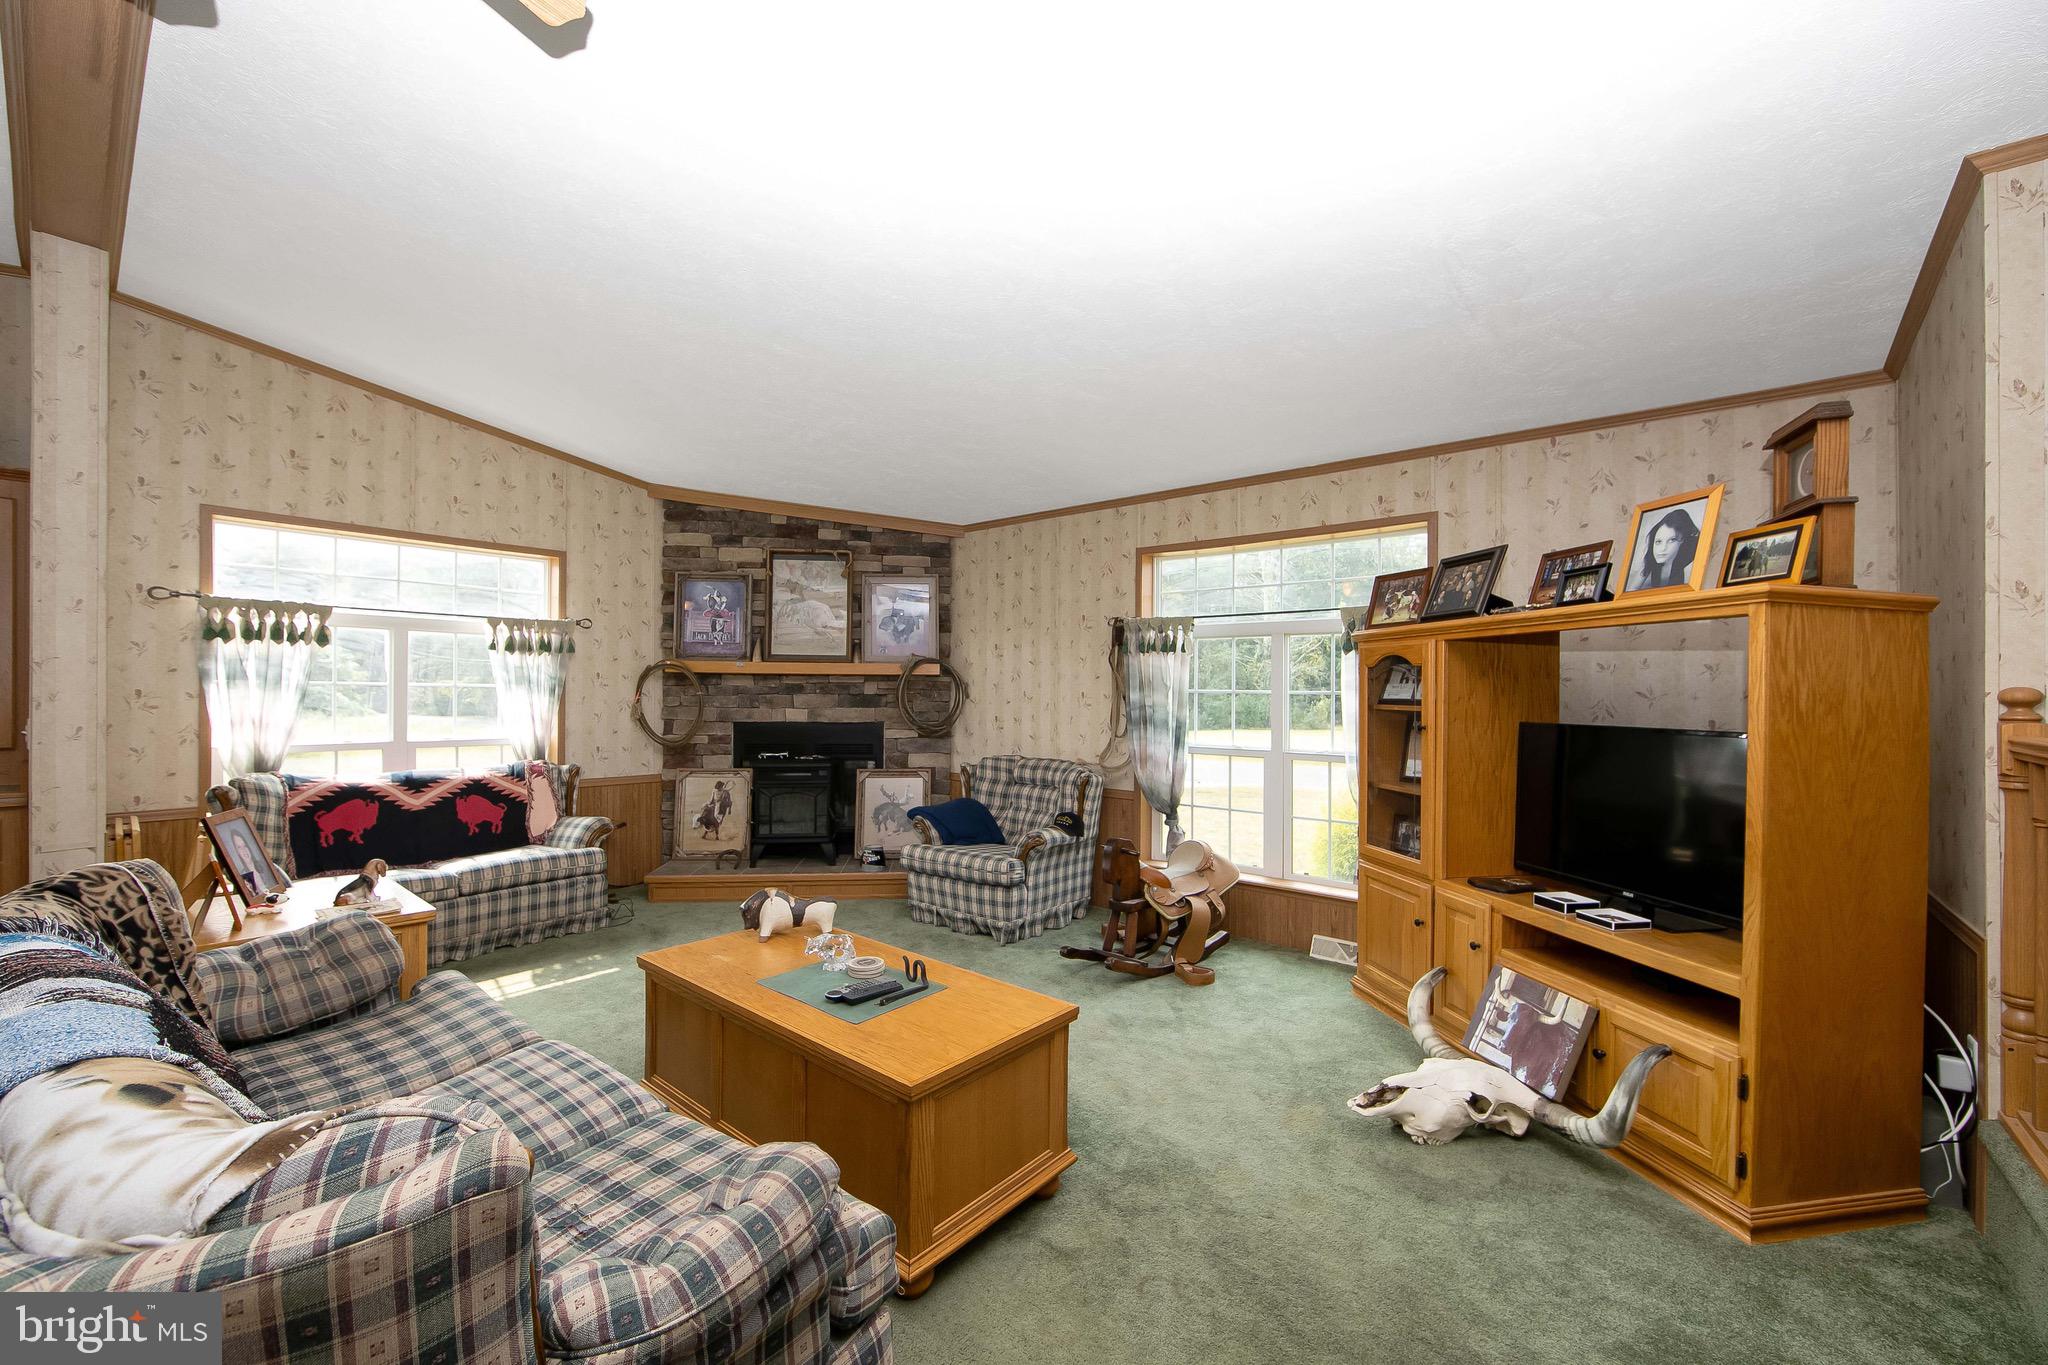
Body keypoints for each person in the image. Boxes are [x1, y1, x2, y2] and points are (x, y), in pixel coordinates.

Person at [1631, 507, 1701, 589]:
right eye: (1658, 542)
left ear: (1682, 540)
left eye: (1671, 540)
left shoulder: (1688, 556)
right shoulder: (1650, 559)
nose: (1663, 548)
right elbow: (1630, 592)